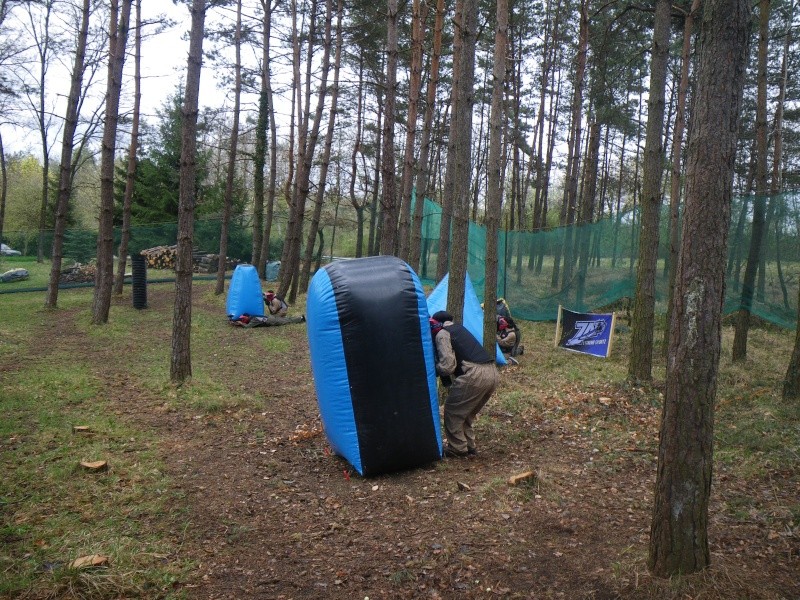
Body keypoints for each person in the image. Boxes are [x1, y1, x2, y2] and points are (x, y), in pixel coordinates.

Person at [429, 310, 499, 458]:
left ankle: (457, 448)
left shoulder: (442, 334)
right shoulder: (460, 328)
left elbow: (448, 366)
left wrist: (433, 368)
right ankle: (469, 445)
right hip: (492, 372)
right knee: (466, 412)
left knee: (452, 410)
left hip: (474, 374)